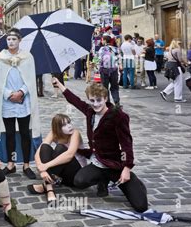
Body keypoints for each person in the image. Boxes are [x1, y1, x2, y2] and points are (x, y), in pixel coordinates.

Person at [52, 78, 148, 212]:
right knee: (80, 181)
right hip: (97, 162)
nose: (95, 104)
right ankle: (102, 181)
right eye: (92, 100)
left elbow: (126, 144)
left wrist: (126, 168)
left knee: (141, 206)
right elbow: (75, 100)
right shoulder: (90, 112)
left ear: (105, 98)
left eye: (99, 100)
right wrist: (60, 85)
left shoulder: (118, 116)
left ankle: (134, 182)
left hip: (114, 165)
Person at [0, 28, 41, 180]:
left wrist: (21, 92)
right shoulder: (1, 58)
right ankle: (10, 164)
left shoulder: (28, 57)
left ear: (20, 40)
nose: (11, 42)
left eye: (14, 39)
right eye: (8, 39)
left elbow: (31, 79)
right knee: (9, 133)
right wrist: (9, 94)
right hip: (7, 101)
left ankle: (26, 164)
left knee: (25, 132)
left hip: (23, 100)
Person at [28, 114, 88, 204]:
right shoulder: (54, 133)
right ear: (58, 129)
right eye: (64, 125)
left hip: (76, 173)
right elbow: (38, 153)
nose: (69, 126)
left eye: (69, 122)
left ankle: (45, 186)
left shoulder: (75, 133)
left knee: (60, 148)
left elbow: (69, 155)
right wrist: (42, 170)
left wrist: (46, 166)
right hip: (61, 175)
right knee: (45, 147)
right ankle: (49, 189)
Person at [97, 35, 120, 106]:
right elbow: (119, 59)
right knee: (114, 87)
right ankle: (117, 102)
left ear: (105, 41)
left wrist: (96, 66)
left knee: (105, 88)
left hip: (104, 70)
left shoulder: (102, 49)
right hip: (114, 70)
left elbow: (99, 59)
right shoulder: (115, 49)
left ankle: (108, 104)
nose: (101, 41)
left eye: (102, 40)